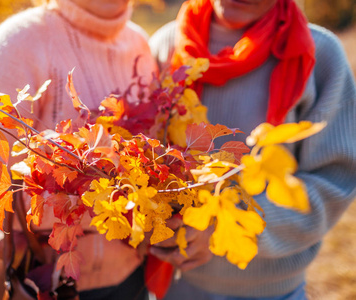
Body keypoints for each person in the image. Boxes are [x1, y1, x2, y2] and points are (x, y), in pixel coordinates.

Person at [0, 0, 157, 299]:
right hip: (42, 283)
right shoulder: (20, 42)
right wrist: (118, 208)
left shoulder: (139, 43)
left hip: (132, 279)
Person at [148, 0, 356, 299]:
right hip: (173, 286)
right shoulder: (166, 45)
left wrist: (226, 223)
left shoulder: (319, 54)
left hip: (273, 291)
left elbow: (334, 182)